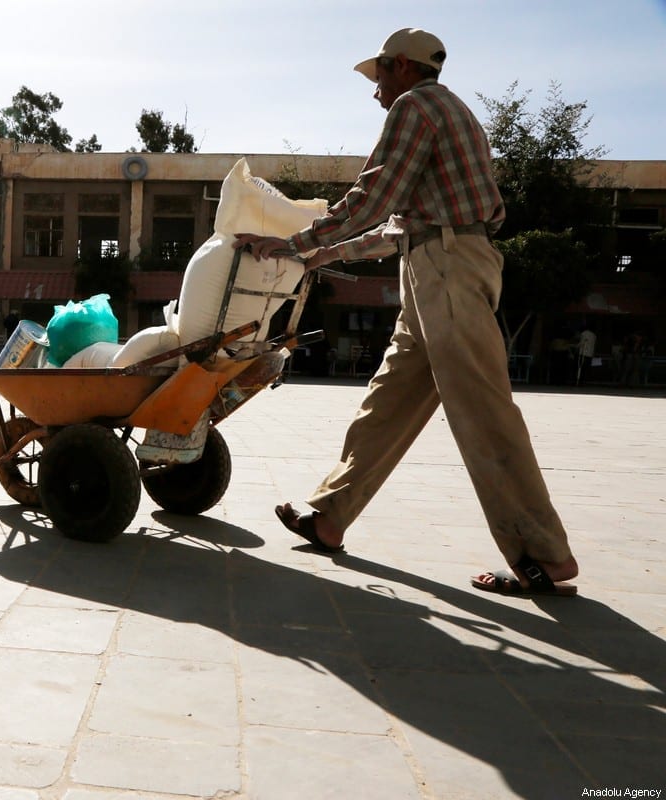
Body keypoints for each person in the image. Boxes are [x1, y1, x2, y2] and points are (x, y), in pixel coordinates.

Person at [233, 28, 579, 596]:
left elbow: (373, 198)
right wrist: (328, 251)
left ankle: (544, 556)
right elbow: (402, 225)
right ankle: (330, 517)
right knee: (388, 400)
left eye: (379, 77)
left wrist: (292, 242)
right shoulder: (449, 111)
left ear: (402, 68)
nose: (375, 91)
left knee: (482, 410)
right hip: (439, 261)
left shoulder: (415, 108)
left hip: (446, 268)